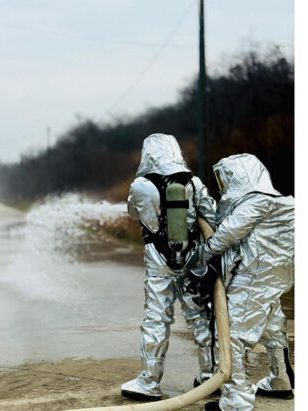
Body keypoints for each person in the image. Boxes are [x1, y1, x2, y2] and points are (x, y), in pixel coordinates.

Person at [121, 133, 219, 401]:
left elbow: (132, 213)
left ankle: (149, 383)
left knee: (156, 319)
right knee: (200, 317)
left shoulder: (141, 185)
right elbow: (211, 216)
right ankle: (212, 377)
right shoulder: (193, 182)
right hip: (191, 260)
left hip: (158, 261)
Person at [196, 153, 294, 411]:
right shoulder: (285, 203)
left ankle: (236, 402)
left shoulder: (255, 204)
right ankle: (280, 378)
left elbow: (225, 236)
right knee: (273, 327)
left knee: (232, 335)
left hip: (253, 277)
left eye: (225, 178)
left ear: (240, 175)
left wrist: (200, 258)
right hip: (276, 277)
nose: (223, 185)